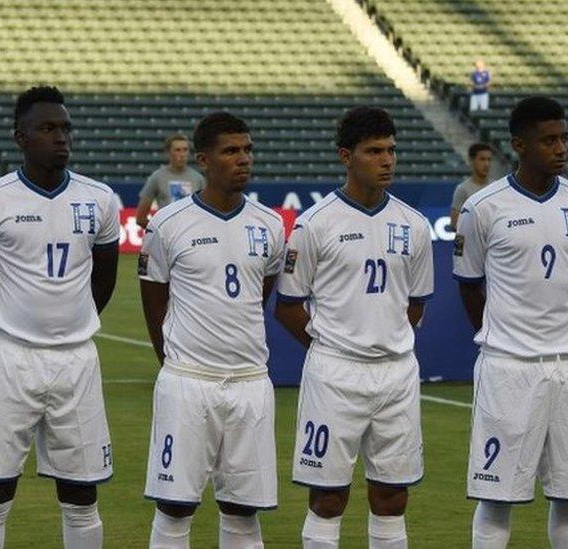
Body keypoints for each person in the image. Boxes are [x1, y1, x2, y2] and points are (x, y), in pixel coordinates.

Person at [0, 86, 120, 549]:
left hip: (77, 360)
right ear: (20, 137)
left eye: (65, 128)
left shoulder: (100, 200)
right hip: (12, 359)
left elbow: (104, 280)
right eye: (47, 128)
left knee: (81, 491)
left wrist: (72, 322)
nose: (60, 137)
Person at [275, 106, 434, 549]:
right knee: (327, 497)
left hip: (396, 374)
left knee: (392, 496)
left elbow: (416, 302)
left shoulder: (414, 225)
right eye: (374, 151)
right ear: (347, 156)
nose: (387, 160)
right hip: (335, 373)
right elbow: (288, 305)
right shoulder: (315, 224)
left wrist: (385, 339)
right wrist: (330, 346)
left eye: (391, 150)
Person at [453, 96, 568, 549]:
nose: (560, 148)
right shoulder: (483, 207)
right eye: (548, 140)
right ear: (519, 145)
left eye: (564, 139)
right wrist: (504, 336)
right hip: (508, 369)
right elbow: (468, 285)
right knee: (496, 501)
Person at [139, 112, 285, 548]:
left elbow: (263, 292)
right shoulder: (168, 224)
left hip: (250, 383)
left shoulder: (270, 224)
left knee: (243, 510)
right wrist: (174, 363)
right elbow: (153, 300)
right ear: (204, 159)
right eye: (231, 151)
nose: (243, 159)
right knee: (175, 506)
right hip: (189, 382)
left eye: (248, 149)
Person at [135, 133, 205, 229]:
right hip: (167, 235)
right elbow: (140, 218)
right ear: (168, 152)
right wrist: (159, 231)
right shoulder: (157, 177)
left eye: (185, 150)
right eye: (177, 150)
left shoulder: (198, 179)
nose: (182, 154)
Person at [451, 143, 494, 230]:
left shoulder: (496, 187)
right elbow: (454, 224)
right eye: (482, 159)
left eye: (489, 160)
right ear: (471, 160)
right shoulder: (463, 190)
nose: (486, 164)